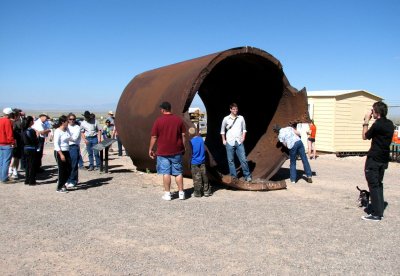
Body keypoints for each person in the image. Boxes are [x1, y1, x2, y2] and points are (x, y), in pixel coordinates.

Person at [361, 101, 394, 221]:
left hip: (374, 158)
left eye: (373, 111)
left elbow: (364, 136)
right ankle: (379, 209)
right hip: (384, 159)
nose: (372, 113)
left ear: (377, 112)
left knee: (373, 185)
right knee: (379, 184)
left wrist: (366, 120)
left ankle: (376, 214)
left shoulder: (377, 124)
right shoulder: (390, 124)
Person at [149, 101, 186, 201]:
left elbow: (154, 136)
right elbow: (183, 135)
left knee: (166, 173)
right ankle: (181, 193)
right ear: (170, 109)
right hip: (177, 150)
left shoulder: (159, 121)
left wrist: (151, 149)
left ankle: (167, 194)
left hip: (163, 151)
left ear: (162, 110)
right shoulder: (178, 120)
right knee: (178, 172)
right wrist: (183, 146)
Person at [220, 103, 252, 182]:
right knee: (230, 160)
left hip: (239, 141)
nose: (235, 111)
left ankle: (247, 175)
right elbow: (222, 131)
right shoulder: (226, 119)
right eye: (233, 109)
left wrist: (243, 137)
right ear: (230, 109)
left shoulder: (241, 118)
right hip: (230, 141)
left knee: (243, 159)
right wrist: (223, 140)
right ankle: (234, 177)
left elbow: (244, 129)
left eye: (236, 109)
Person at [188, 127, 212, 197]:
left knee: (196, 178)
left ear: (189, 134)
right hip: (202, 161)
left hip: (194, 162)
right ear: (196, 132)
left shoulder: (191, 142)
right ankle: (206, 191)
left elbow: (190, 153)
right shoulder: (201, 139)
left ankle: (197, 192)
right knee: (204, 176)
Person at [53, 115, 72, 193]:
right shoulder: (58, 131)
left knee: (69, 168)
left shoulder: (67, 130)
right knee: (62, 170)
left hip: (67, 150)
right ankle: (59, 187)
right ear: (63, 122)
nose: (69, 122)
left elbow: (70, 138)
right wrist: (61, 154)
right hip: (59, 152)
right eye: (67, 121)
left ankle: (63, 183)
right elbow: (56, 144)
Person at [21, 116, 39, 185]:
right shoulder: (31, 130)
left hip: (25, 148)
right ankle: (32, 180)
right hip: (32, 148)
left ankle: (27, 179)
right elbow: (35, 141)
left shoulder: (24, 130)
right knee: (32, 165)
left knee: (27, 165)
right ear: (31, 122)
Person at [0, 107, 16, 183]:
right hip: (6, 144)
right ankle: (4, 178)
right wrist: (12, 142)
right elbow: (9, 134)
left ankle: (2, 176)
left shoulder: (0, 120)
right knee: (6, 161)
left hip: (0, 143)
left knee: (1, 161)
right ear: (9, 114)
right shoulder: (7, 121)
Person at [66, 113, 81, 188]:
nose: (72, 121)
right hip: (66, 147)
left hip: (74, 147)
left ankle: (73, 180)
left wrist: (65, 137)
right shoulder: (66, 126)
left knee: (74, 164)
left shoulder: (77, 127)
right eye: (70, 119)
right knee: (67, 164)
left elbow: (74, 138)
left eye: (73, 119)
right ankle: (68, 180)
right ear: (68, 119)